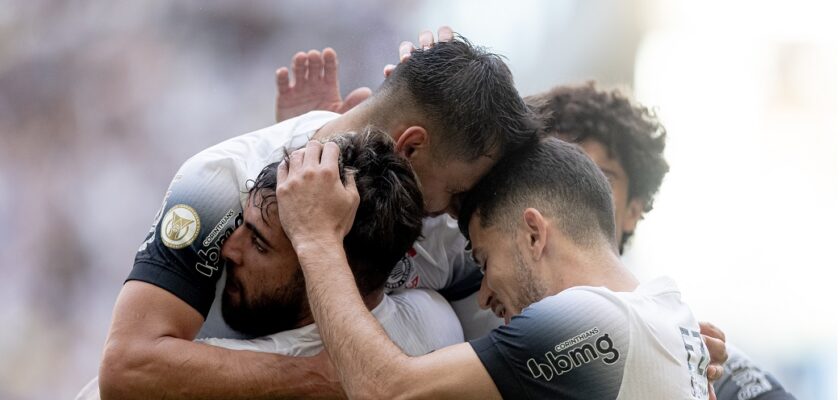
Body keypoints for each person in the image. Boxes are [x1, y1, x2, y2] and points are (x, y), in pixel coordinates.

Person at [97, 30, 537, 400]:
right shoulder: (223, 181)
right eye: (457, 190)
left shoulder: (444, 240)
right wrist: (322, 379)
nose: (456, 209)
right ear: (412, 147)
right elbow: (127, 368)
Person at [271, 137, 720, 399]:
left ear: (533, 233)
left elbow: (386, 390)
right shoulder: (670, 313)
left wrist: (316, 237)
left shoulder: (592, 319)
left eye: (484, 261)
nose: (483, 294)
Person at [77, 130, 463, 399]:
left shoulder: (224, 381)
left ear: (325, 264)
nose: (229, 249)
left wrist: (314, 378)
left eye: (259, 243)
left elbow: (121, 379)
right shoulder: (437, 325)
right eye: (245, 225)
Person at [523, 83, 796, 399]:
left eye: (601, 180)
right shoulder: (486, 335)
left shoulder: (698, 355)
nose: (579, 195)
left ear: (632, 211)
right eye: (560, 174)